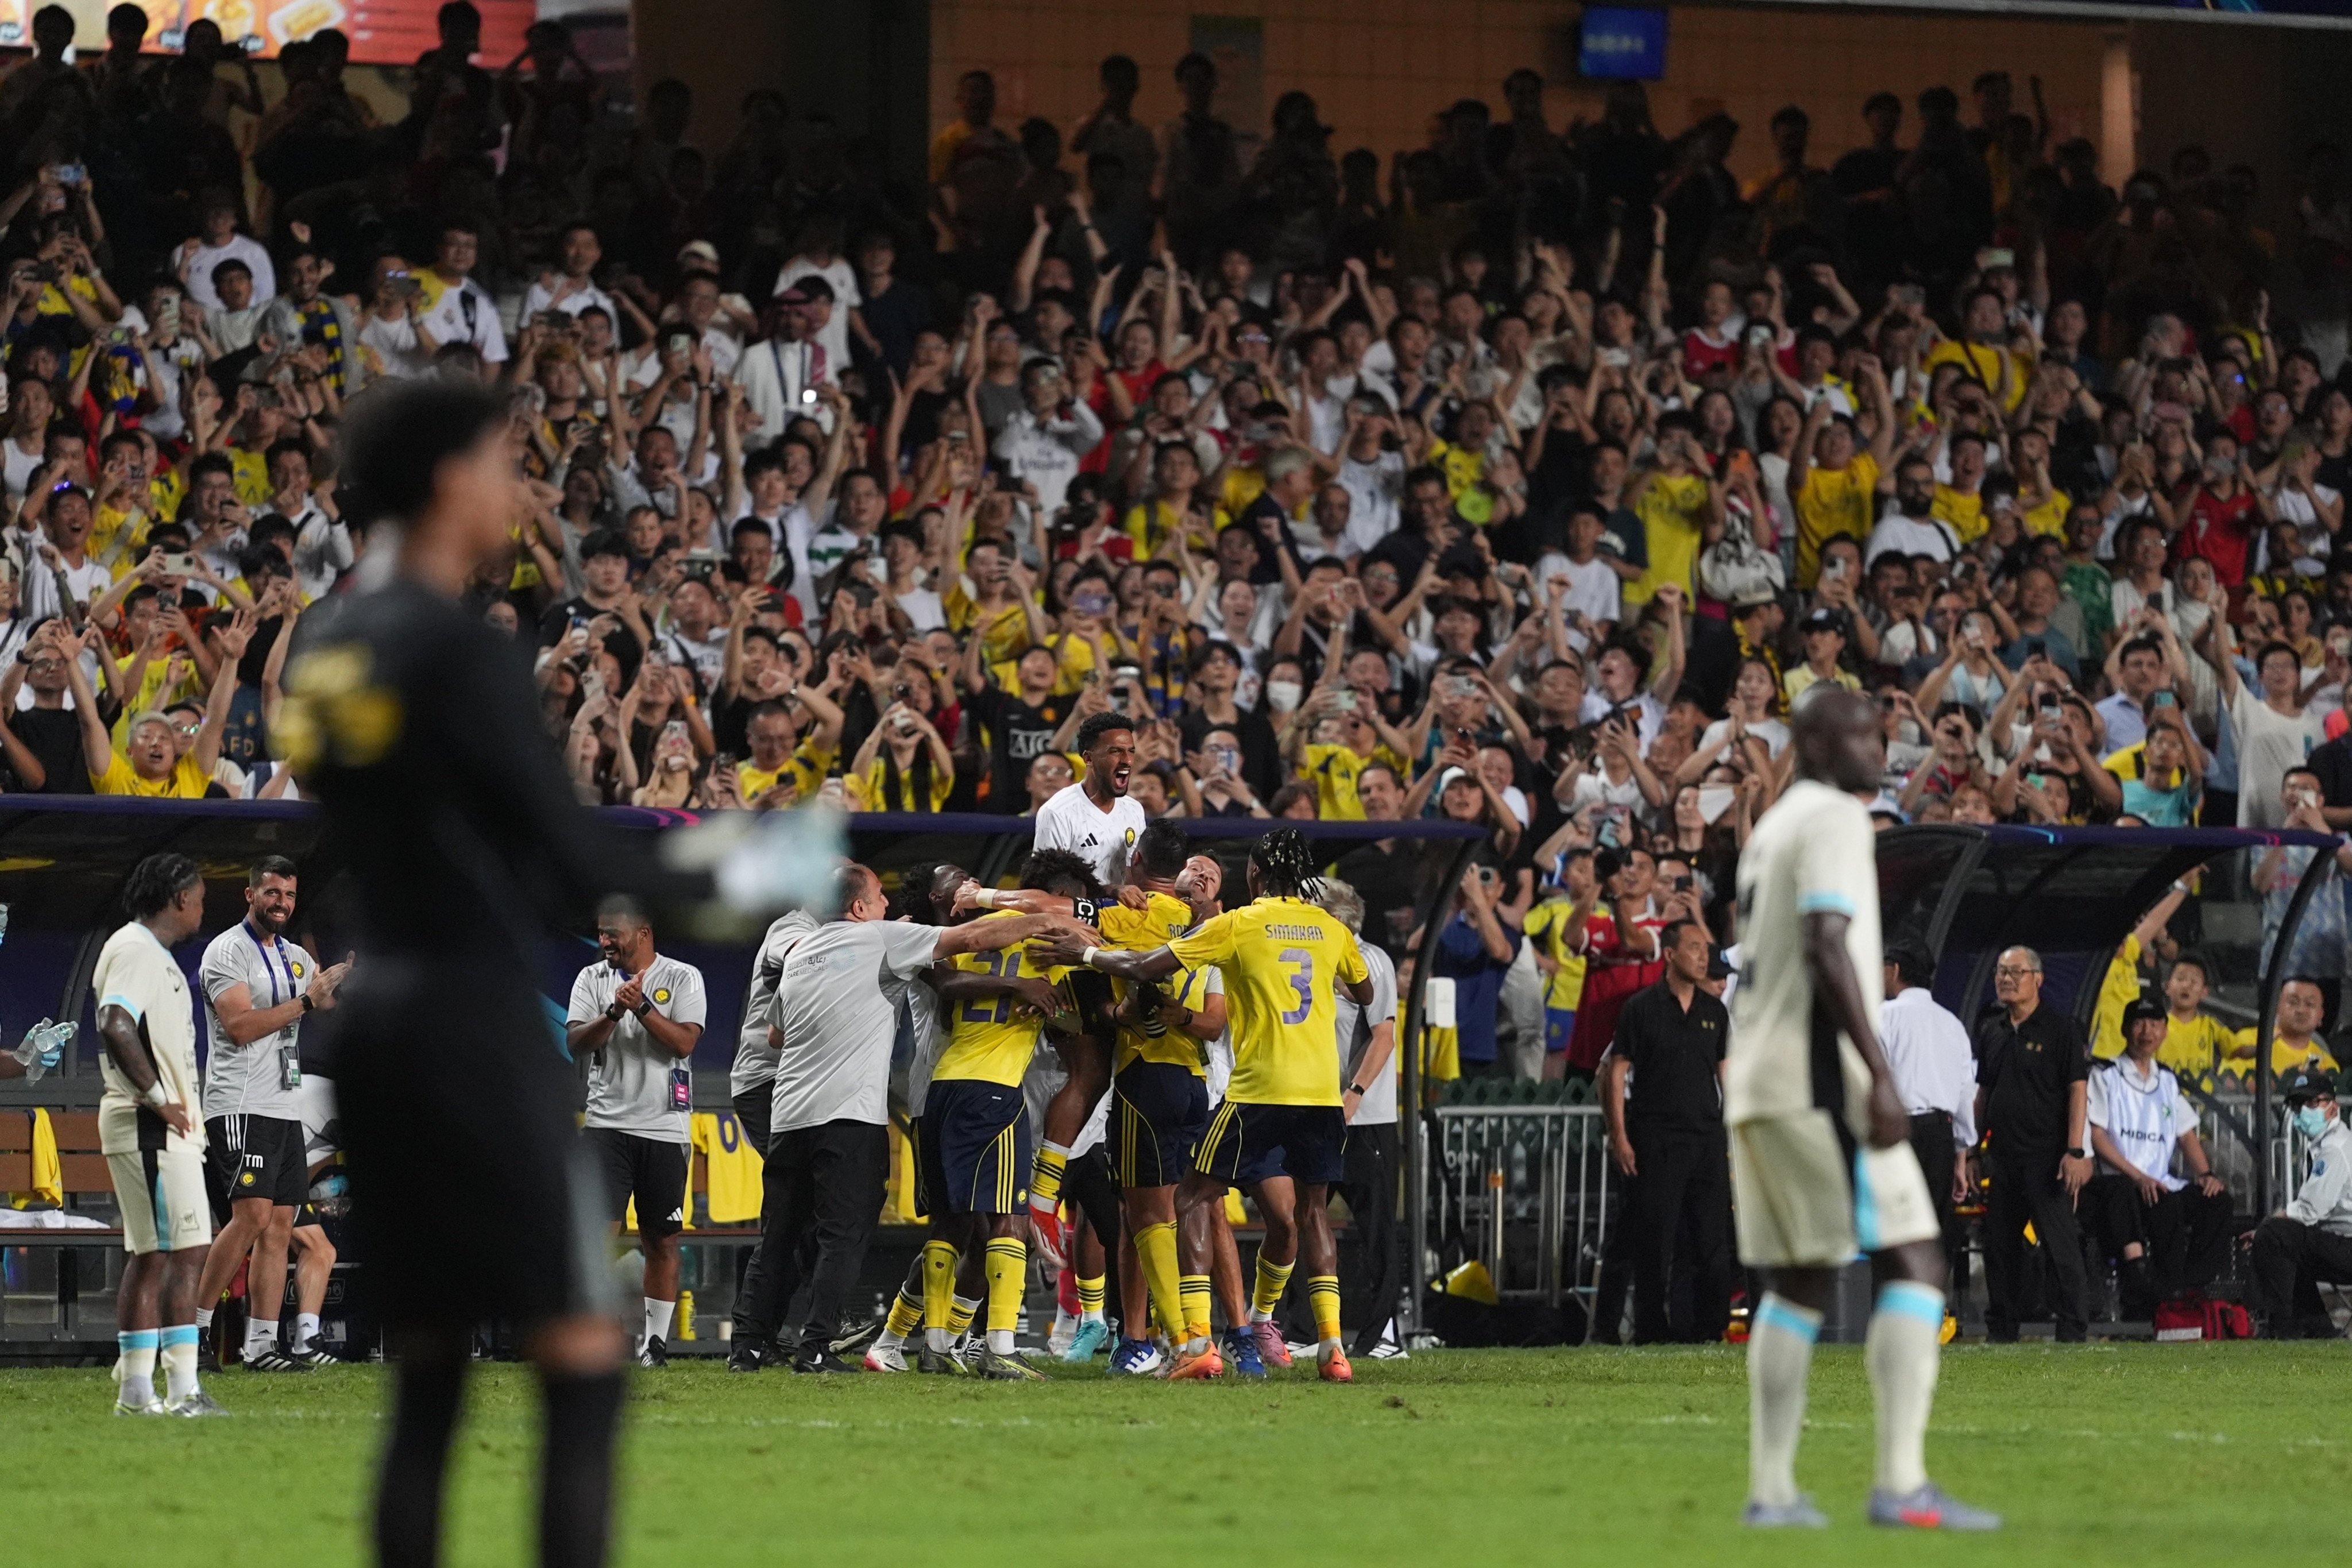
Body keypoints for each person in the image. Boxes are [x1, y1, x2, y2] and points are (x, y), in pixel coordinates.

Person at [283, 378, 729, 1568]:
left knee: (428, 1375)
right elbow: (571, 858)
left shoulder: (327, 643)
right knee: (581, 1364)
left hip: (378, 1021)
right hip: (475, 1027)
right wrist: (745, 871)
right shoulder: (457, 647)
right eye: (502, 466)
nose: (518, 492)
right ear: (445, 482)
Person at [1729, 690, 1994, 1531]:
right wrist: (1878, 1073)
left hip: (1761, 1081)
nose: (1876, 749)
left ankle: (1772, 1490)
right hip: (1819, 1083)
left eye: (1880, 735)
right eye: (1857, 734)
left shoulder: (1771, 827)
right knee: (1916, 1260)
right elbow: (1826, 940)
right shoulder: (1839, 819)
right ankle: (1899, 1484)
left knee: (1799, 1281)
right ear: (1809, 741)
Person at [1038, 827, 1377, 1381]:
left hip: (1255, 1090)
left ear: (1255, 876)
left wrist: (1087, 953)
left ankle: (1196, 1338)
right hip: (1319, 1093)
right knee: (1310, 1212)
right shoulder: (1330, 928)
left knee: (1191, 1198)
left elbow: (1147, 968)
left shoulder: (1237, 925)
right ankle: (1331, 1347)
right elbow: (1363, 994)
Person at [757, 863, 1057, 1372]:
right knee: (986, 1226)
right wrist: (1027, 955)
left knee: (958, 1230)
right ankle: (965, 1343)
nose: (968, 885)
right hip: (954, 1093)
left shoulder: (922, 941)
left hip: (934, 1098)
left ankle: (911, 1342)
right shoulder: (909, 944)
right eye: (957, 882)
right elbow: (951, 982)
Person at [902, 851, 1097, 1381]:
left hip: (942, 1085)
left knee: (951, 1223)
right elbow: (1082, 945)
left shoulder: (960, 947)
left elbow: (947, 997)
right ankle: (1001, 1346)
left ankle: (936, 1343)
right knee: (1009, 1222)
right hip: (993, 1091)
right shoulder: (1041, 941)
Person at [192, 856, 349, 1374]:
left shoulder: (298, 957)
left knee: (281, 1225)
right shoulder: (226, 951)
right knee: (253, 1216)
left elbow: (321, 1001)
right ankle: (195, 1328)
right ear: (250, 895)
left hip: (284, 1102)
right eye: (272, 894)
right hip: (239, 1102)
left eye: (288, 896)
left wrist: (342, 985)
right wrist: (308, 1000)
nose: (281, 903)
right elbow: (238, 1025)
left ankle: (260, 1346)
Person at [94, 853, 225, 1418]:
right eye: (197, 897)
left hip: (159, 1129)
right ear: (177, 900)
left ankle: (139, 1394)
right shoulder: (135, 949)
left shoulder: (152, 955)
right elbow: (114, 1022)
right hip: (149, 1126)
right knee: (181, 1253)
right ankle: (181, 1392)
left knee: (155, 1255)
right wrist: (159, 1100)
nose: (202, 906)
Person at [1023, 710, 1146, 1261]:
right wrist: (1105, 901)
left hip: (1112, 955)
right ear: (1087, 757)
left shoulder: (1135, 811)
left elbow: (1134, 886)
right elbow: (1047, 887)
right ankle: (1043, 1194)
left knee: (1114, 1070)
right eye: (1115, 751)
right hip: (1069, 957)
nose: (1125, 760)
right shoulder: (1059, 812)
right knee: (1089, 1070)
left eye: (1130, 751)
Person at [564, 896, 708, 1369]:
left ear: (643, 931)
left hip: (665, 1128)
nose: (605, 941)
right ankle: (589, 1332)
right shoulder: (591, 979)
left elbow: (684, 1043)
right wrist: (612, 1013)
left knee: (661, 1240)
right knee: (599, 1235)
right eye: (601, 932)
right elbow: (575, 1042)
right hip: (606, 1125)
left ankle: (655, 1345)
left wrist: (641, 1007)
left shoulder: (682, 976)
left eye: (613, 933)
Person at [1603, 918, 1732, 1345]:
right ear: (1670, 954)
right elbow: (1616, 1071)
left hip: (1706, 1139)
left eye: (1705, 949)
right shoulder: (1640, 1008)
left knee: (1710, 1240)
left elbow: (1725, 1074)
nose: (1702, 957)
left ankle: (1708, 1328)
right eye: (1693, 948)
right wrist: (1619, 1136)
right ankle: (1651, 1331)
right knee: (1655, 1240)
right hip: (1656, 1137)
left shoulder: (1715, 1011)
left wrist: (1733, 1130)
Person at [1972, 944, 2094, 1345]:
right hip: (2002, 1157)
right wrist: (1974, 1149)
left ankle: (2072, 1328)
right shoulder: (1992, 1029)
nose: (2006, 979)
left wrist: (2075, 1151)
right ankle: (2001, 1329)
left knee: (2060, 1245)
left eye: (2015, 972)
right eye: (2000, 972)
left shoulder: (2060, 1030)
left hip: (2046, 1158)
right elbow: (1983, 1094)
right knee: (2000, 1247)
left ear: (2037, 979)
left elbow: (2078, 1091)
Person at [2081, 998, 2230, 1319]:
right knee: (2167, 1205)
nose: (2147, 1031)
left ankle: (2192, 1286)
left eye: (2155, 1024)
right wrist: (2138, 1176)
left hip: (2161, 1180)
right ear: (2125, 1029)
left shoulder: (2167, 1080)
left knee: (2217, 1202)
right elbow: (2097, 1134)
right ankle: (2160, 1295)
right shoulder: (2105, 1075)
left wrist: (2205, 1174)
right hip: (2122, 1182)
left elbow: (2186, 1133)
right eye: (2139, 1023)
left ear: (2164, 1032)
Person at [722, 905, 820, 1372]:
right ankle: (750, 1337)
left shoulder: (835, 931)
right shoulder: (793, 926)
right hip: (765, 1083)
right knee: (790, 1211)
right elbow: (797, 956)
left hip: (800, 1085)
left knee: (806, 1215)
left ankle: (763, 1334)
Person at [1318, 877, 1406, 1360]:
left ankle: (1384, 1333)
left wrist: (1352, 1097)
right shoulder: (1317, 960)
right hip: (1321, 1110)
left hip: (1363, 1117)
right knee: (1300, 1218)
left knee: (1375, 1228)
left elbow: (1384, 1036)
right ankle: (1296, 1326)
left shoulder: (1369, 960)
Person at [1876, 942, 1976, 1306]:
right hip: (1940, 1135)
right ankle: (1923, 1316)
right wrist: (1961, 1157)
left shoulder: (1884, 1017)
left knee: (1890, 1229)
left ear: (1896, 970)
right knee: (1929, 1231)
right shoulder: (1952, 1023)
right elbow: (1965, 1093)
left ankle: (1883, 1314)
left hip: (1895, 1134)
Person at [2248, 1068, 2352, 1338]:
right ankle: (2316, 1330)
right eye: (2297, 1105)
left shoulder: (2335, 1149)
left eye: (2312, 1103)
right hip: (2340, 1241)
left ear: (2333, 1107)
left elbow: (2310, 1211)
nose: (2303, 1111)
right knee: (2288, 1243)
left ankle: (2282, 1328)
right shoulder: (2325, 1145)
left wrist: (2267, 1228)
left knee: (2277, 1236)